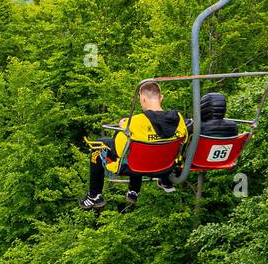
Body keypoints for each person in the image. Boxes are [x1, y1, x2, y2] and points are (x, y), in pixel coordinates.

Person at [79, 81, 187, 211]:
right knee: (143, 146)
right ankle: (134, 190)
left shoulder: (136, 122)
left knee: (100, 146)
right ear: (161, 97)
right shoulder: (179, 119)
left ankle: (94, 195)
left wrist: (123, 123)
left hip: (137, 167)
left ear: (142, 99)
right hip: (164, 168)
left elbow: (120, 149)